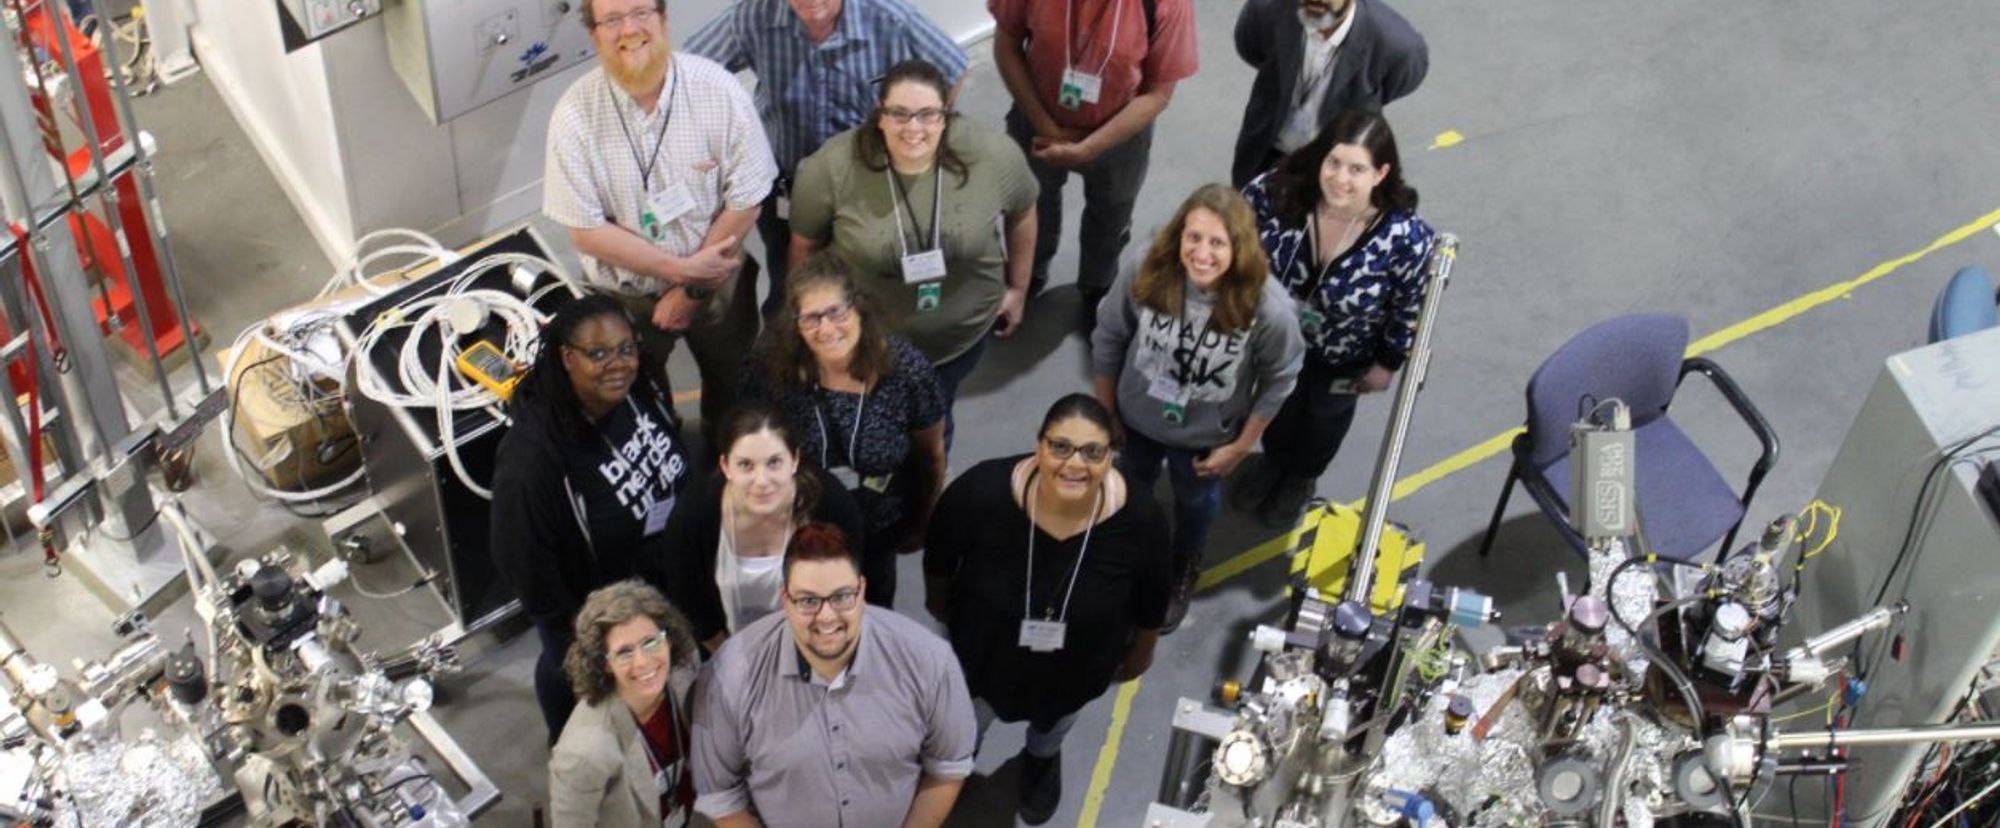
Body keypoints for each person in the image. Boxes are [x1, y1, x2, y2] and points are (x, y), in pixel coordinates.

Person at [923, 394, 1169, 825]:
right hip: (982, 656)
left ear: (1111, 455)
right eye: (1061, 447)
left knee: (1055, 722)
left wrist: (1142, 649)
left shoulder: (1140, 519)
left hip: (1076, 666)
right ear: (1039, 445)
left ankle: (1040, 758)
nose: (1075, 464)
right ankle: (957, 763)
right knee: (966, 721)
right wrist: (940, 604)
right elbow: (940, 557)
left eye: (1092, 452)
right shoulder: (982, 492)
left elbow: (1153, 591)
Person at [544, 0, 779, 436]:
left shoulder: (717, 89)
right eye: (612, 20)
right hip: (625, 297)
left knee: (736, 390)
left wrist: (691, 289)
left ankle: (727, 453)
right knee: (638, 407)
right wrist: (679, 271)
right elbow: (585, 231)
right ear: (595, 35)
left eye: (641, 13)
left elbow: (747, 200)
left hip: (719, 286)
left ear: (663, 19)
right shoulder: (574, 115)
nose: (629, 29)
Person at [789, 59, 1036, 443]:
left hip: (961, 338)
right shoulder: (831, 168)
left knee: (937, 416)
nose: (913, 128)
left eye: (927, 115)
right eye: (899, 114)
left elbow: (1023, 211)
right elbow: (805, 248)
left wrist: (1018, 289)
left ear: (945, 116)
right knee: (875, 423)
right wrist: (812, 322)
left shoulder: (991, 154)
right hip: (867, 342)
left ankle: (932, 464)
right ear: (880, 115)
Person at [1091, 184, 1303, 633]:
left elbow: (1281, 378)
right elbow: (1109, 335)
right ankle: (1128, 542)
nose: (1202, 253)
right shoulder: (1146, 268)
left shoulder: (1267, 308)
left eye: (1217, 243)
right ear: (1179, 235)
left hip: (1206, 437)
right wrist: (1106, 412)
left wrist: (1241, 446)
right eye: (1194, 237)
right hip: (1135, 420)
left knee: (1196, 501)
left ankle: (1185, 559)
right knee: (1132, 485)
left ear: (1239, 247)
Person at [680, 0, 970, 316]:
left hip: (867, 187)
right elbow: (686, 73)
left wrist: (918, 135)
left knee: (868, 288)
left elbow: (952, 68)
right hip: (786, 183)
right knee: (790, 288)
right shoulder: (752, 14)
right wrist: (710, 141)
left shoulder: (890, 17)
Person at [491, 295, 692, 738]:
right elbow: (523, 564)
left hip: (657, 580)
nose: (617, 364)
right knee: (580, 697)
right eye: (597, 354)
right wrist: (581, 648)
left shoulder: (636, 389)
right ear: (567, 358)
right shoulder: (533, 460)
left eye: (625, 349)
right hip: (594, 618)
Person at [690, 523, 977, 828]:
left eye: (841, 597)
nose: (826, 617)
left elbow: (948, 766)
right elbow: (721, 794)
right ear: (785, 600)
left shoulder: (928, 661)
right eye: (808, 601)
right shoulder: (729, 677)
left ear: (862, 590)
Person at [1238, 110, 1435, 527]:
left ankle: (1301, 477)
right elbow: (1236, 238)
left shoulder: (1406, 239)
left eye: (1357, 169)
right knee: (1277, 403)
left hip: (1346, 357)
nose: (1340, 179)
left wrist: (1387, 363)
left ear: (1381, 173)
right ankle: (1273, 461)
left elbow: (1408, 306)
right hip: (1280, 342)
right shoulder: (1277, 192)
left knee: (1324, 419)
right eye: (1334, 162)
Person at [742, 255, 947, 609]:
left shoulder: (906, 371)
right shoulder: (772, 368)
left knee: (874, 600)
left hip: (879, 524)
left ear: (858, 308)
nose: (826, 329)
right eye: (811, 318)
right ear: (795, 323)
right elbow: (748, 439)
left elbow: (931, 455)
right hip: (800, 520)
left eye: (836, 312)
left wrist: (922, 521)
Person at [989, 0, 1199, 320]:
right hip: (1036, 117)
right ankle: (1027, 274)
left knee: (1111, 216)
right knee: (1031, 202)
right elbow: (1007, 45)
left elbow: (1157, 93)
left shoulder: (1167, 4)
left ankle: (1097, 287)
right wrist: (1045, 125)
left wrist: (1091, 147)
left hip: (1120, 134)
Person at [659, 402, 865, 651]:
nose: (761, 481)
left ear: (795, 460)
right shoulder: (693, 517)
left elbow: (851, 586)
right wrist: (731, 659)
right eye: (746, 465)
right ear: (725, 466)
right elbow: (691, 603)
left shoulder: (831, 505)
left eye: (774, 462)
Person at [549, 581, 702, 828]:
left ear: (669, 640)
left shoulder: (685, 673)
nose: (642, 662)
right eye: (624, 652)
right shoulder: (583, 754)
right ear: (605, 663)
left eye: (651, 641)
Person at [1230, 0, 1428, 188]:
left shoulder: (1399, 48)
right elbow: (1251, 49)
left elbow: (1398, 83)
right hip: (1264, 154)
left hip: (1335, 169)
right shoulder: (1264, 10)